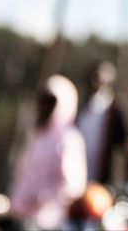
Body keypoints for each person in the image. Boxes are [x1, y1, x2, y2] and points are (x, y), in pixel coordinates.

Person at [9, 74, 88, 230]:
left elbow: (73, 186)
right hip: (22, 217)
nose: (45, 107)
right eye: (43, 102)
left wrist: (42, 198)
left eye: (50, 103)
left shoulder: (68, 139)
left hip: (49, 222)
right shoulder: (36, 135)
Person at [76, 60, 128, 186]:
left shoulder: (117, 110)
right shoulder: (83, 108)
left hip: (105, 178)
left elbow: (125, 144)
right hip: (79, 173)